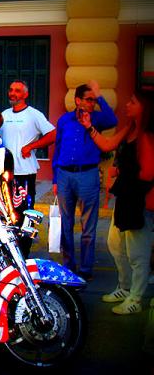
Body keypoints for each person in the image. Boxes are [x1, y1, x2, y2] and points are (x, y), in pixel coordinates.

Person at [78, 89, 154, 315]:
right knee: (115, 244)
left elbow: (148, 173)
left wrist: (124, 173)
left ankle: (135, 298)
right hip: (125, 196)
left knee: (137, 252)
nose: (127, 105)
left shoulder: (147, 135)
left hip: (138, 199)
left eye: (133, 102)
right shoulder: (130, 129)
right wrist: (89, 127)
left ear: (144, 108)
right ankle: (124, 287)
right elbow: (108, 144)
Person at [52, 81, 118, 280]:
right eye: (88, 100)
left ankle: (86, 269)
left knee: (88, 225)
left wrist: (100, 97)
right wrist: (55, 178)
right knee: (66, 223)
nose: (92, 104)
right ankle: (69, 265)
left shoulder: (97, 119)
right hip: (64, 175)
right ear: (78, 100)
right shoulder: (64, 120)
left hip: (88, 175)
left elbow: (113, 119)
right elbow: (57, 148)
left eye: (93, 100)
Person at [0, 80, 56, 217]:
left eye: (17, 91)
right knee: (6, 211)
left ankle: (26, 232)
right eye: (11, 90)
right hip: (5, 171)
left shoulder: (34, 114)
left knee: (24, 210)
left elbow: (53, 134)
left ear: (25, 95)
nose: (12, 93)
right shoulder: (4, 114)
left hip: (24, 171)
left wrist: (31, 146)